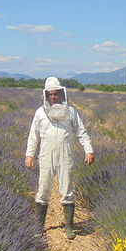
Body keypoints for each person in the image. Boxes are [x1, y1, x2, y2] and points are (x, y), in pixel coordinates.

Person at [25, 76, 94, 239]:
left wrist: (89, 150)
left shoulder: (70, 111)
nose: (54, 97)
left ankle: (69, 228)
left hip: (65, 155)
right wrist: (29, 155)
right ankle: (39, 227)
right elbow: (33, 136)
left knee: (67, 191)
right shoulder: (40, 113)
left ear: (61, 93)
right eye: (51, 94)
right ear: (46, 95)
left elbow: (81, 132)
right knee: (43, 190)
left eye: (56, 94)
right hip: (46, 155)